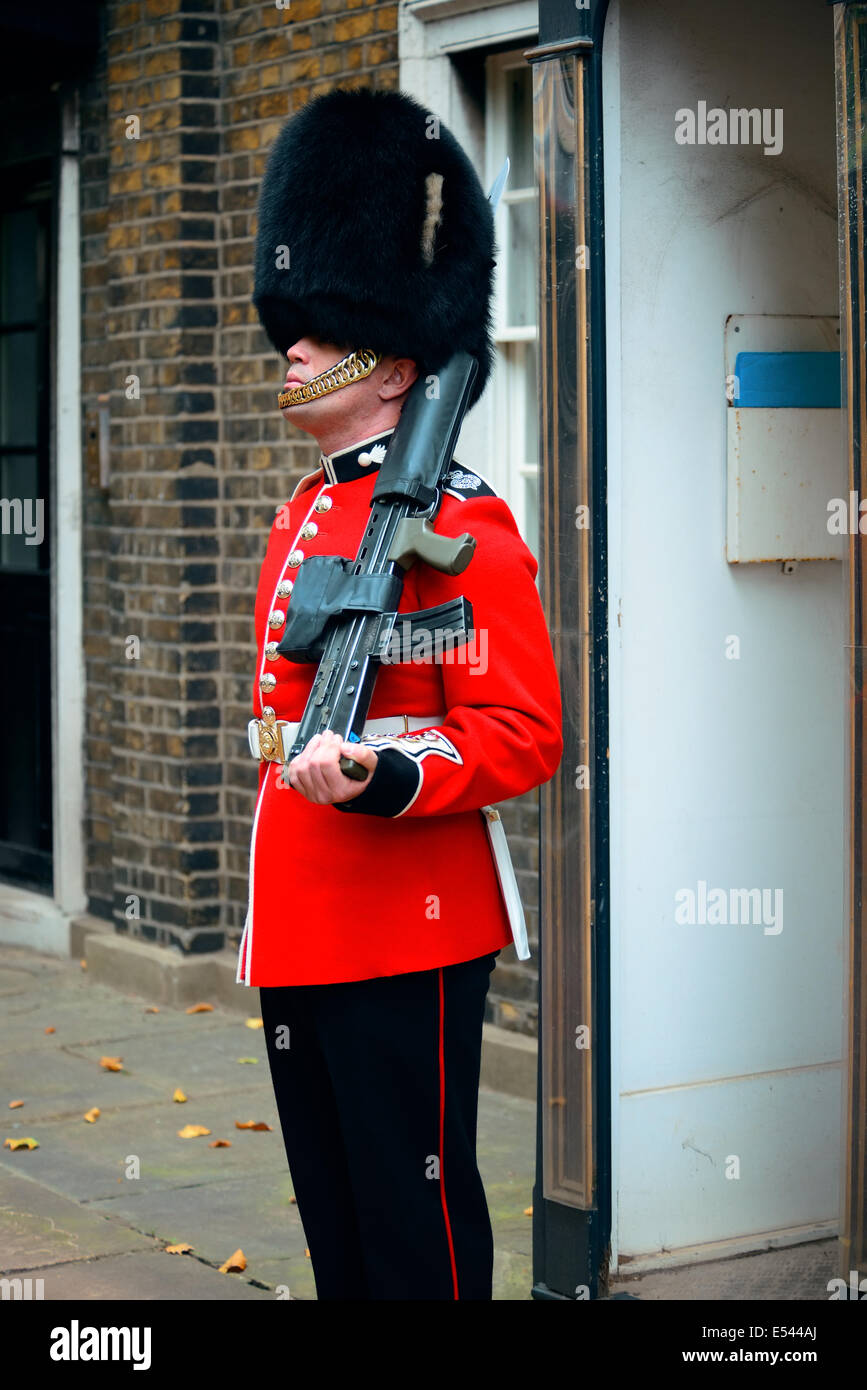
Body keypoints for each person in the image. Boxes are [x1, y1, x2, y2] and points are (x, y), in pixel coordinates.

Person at [237, 86, 563, 1300]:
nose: (296, 348)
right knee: (335, 1219)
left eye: (321, 330)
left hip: (402, 921)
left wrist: (389, 769)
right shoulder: (305, 513)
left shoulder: (460, 520)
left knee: (411, 1217)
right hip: (302, 921)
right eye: (298, 326)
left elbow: (522, 730)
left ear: (393, 368)